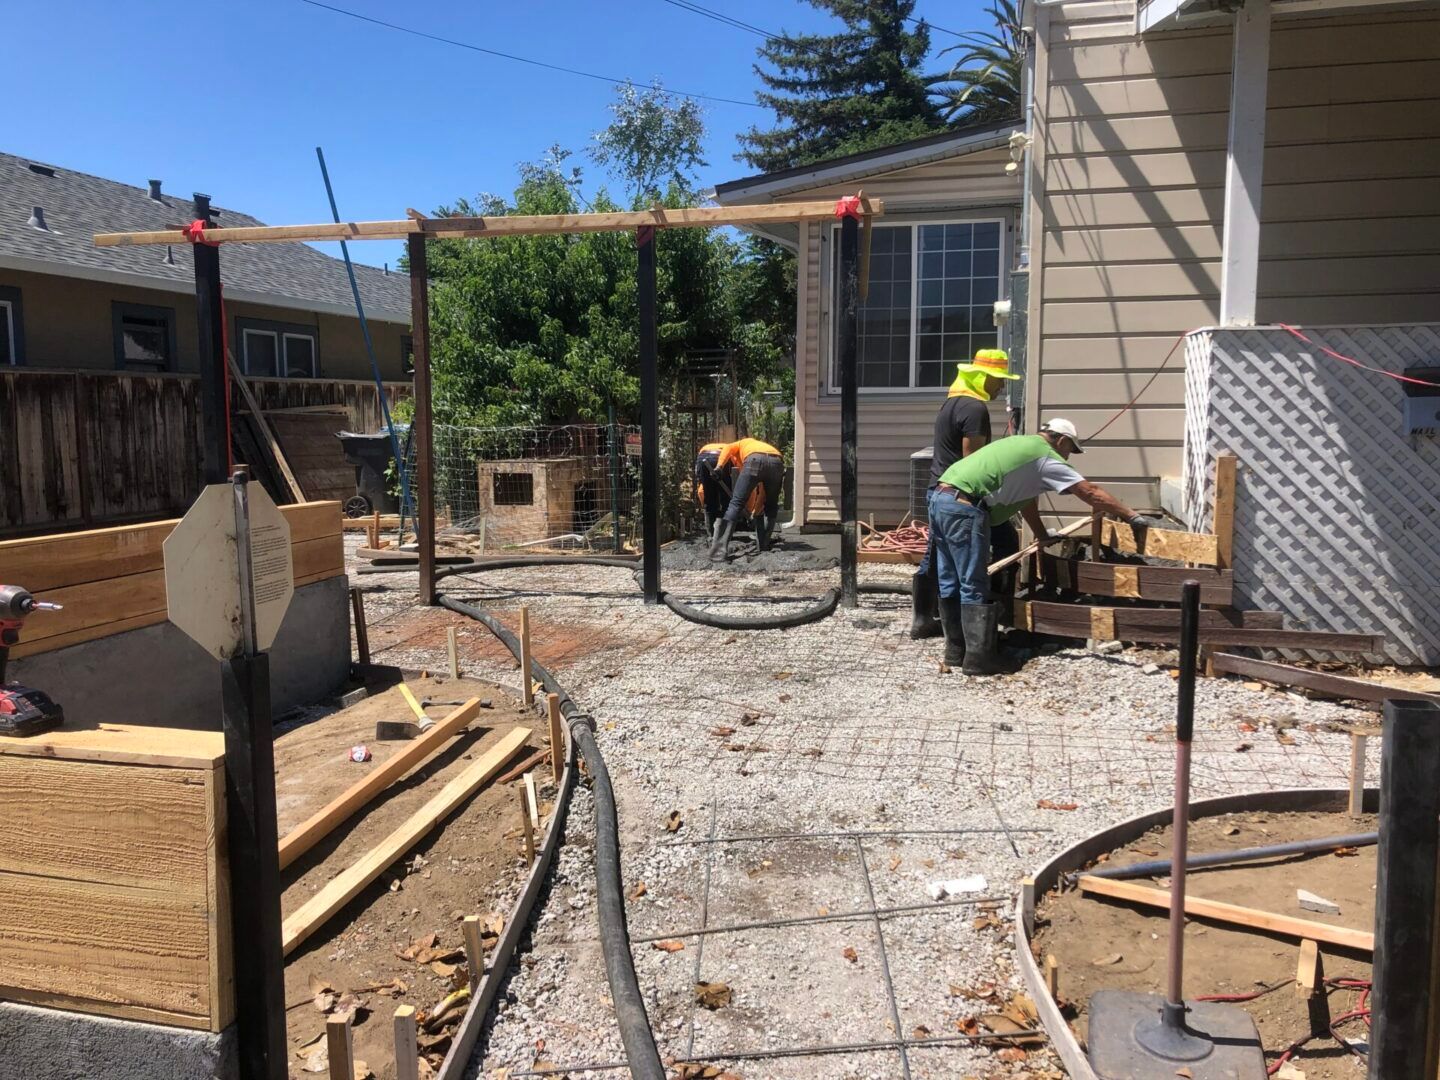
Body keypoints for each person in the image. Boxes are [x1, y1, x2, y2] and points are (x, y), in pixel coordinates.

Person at [929, 418, 1163, 676]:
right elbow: (1090, 492)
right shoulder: (1046, 457)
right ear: (1061, 440)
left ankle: (955, 652)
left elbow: (1025, 500)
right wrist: (1132, 516)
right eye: (1069, 450)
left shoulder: (1021, 445)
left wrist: (1041, 534)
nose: (1067, 457)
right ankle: (979, 659)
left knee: (949, 578)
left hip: (941, 498)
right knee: (972, 582)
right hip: (965, 507)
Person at [912, 349, 1018, 640]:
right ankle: (989, 626)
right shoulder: (974, 409)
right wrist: (991, 500)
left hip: (937, 491)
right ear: (983, 378)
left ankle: (927, 623)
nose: (1001, 387)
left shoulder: (951, 403)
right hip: (960, 495)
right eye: (998, 380)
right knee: (1002, 545)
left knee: (936, 558)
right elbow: (973, 464)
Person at [709, 437, 784, 560]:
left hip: (754, 461)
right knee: (771, 505)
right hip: (777, 462)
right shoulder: (759, 445)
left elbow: (727, 447)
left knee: (736, 503)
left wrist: (719, 467)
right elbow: (763, 495)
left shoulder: (741, 443)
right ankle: (764, 545)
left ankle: (718, 553)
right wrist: (755, 514)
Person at [693, 441, 728, 541]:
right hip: (720, 457)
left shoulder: (705, 447)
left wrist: (706, 503)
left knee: (709, 497)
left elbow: (701, 491)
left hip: (703, 457)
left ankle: (711, 534)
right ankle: (725, 532)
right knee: (726, 497)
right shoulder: (731, 449)